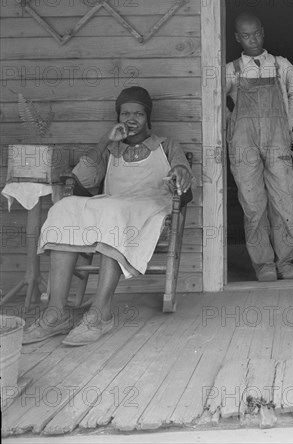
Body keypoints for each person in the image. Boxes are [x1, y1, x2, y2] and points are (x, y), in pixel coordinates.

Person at [23, 86, 193, 346]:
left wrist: (179, 172)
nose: (131, 119)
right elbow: (82, 178)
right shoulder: (111, 150)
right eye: (125, 113)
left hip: (150, 208)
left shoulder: (166, 145)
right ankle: (56, 314)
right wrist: (105, 141)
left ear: (148, 118)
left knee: (113, 212)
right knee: (63, 208)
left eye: (138, 114)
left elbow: (183, 170)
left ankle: (100, 314)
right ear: (118, 117)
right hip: (113, 208)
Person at [225, 12, 293, 282]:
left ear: (263, 31)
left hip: (277, 139)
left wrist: (288, 126)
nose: (253, 39)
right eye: (246, 36)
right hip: (244, 143)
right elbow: (215, 102)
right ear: (237, 38)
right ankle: (263, 265)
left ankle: (286, 262)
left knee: (284, 201)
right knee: (252, 204)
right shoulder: (231, 70)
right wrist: (230, 127)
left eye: (257, 33)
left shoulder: (281, 66)